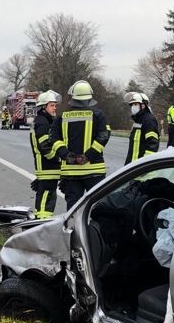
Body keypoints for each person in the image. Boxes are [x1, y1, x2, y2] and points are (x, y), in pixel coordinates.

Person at [53, 79, 112, 209]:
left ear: (73, 97)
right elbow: (104, 136)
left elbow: (54, 139)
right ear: (90, 97)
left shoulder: (62, 116)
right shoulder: (99, 115)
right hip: (94, 171)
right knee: (97, 208)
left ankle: (75, 230)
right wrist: (88, 156)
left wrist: (66, 155)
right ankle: (94, 230)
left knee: (74, 210)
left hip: (71, 172)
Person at [29, 90, 62, 219]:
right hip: (47, 166)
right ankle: (41, 221)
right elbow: (44, 147)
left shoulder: (44, 120)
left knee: (47, 195)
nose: (55, 108)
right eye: (52, 105)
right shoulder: (43, 122)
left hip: (47, 167)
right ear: (44, 106)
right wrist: (57, 158)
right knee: (46, 197)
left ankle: (43, 219)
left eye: (55, 105)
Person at [123, 91, 160, 165]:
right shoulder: (138, 119)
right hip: (133, 165)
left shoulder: (149, 120)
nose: (133, 107)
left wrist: (144, 163)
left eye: (135, 104)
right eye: (132, 105)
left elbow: (153, 145)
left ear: (143, 105)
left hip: (141, 168)